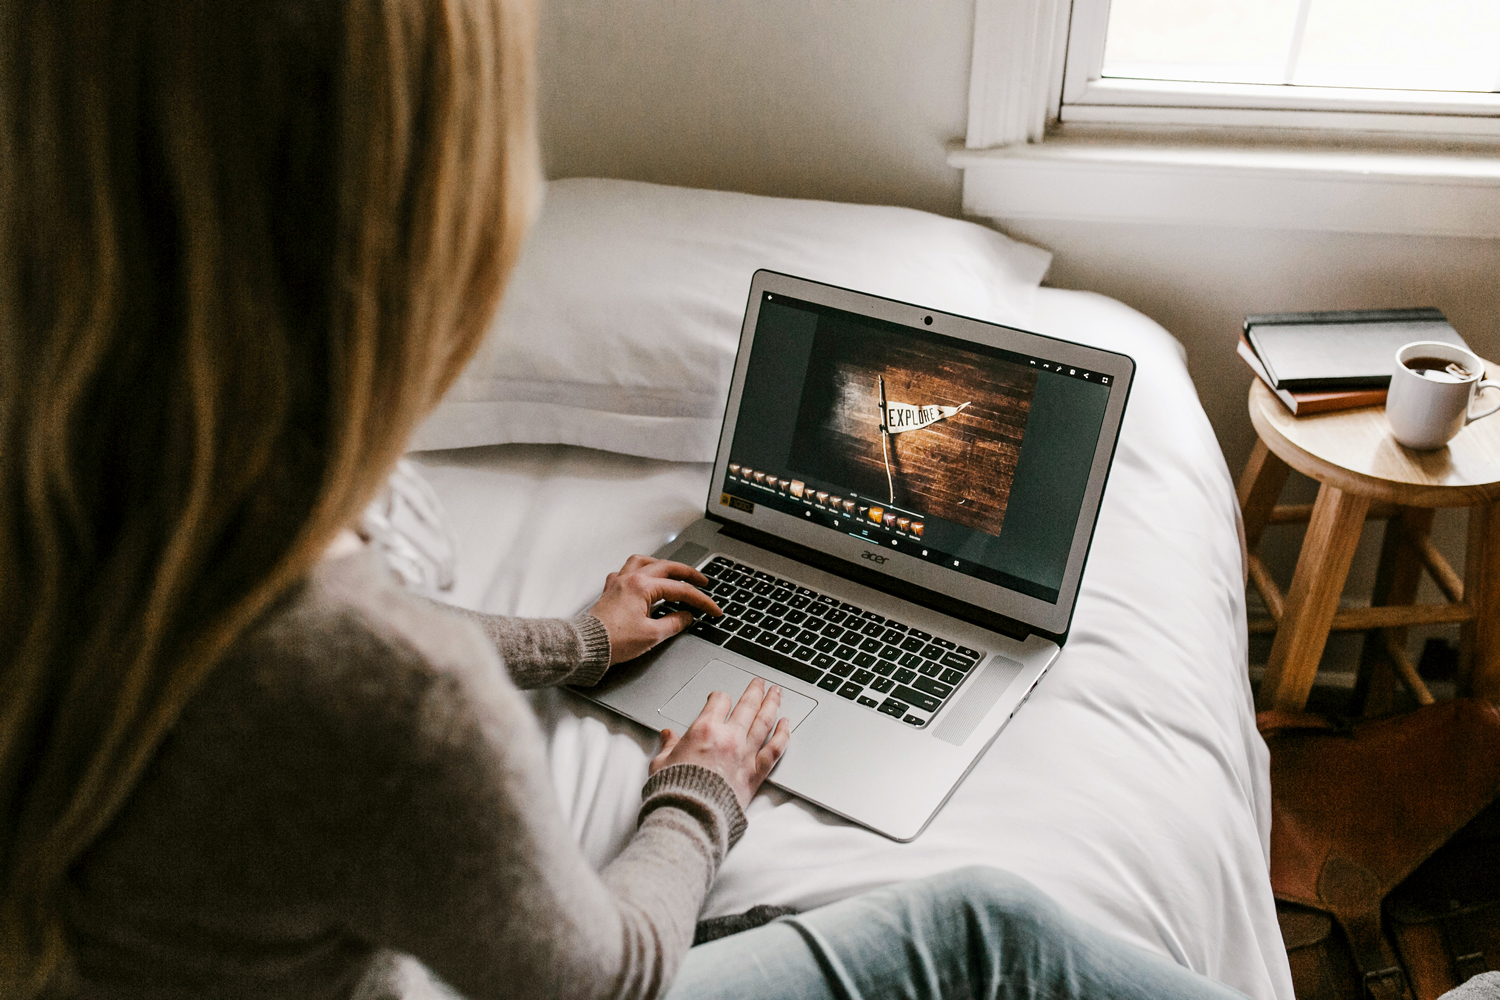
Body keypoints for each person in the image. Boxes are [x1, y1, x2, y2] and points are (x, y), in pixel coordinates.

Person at [0, 1, 1252, 998]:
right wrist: (702, 788)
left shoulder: (83, 512)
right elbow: (608, 974)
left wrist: (580, 642)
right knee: (991, 936)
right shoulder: (394, 702)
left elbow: (269, 649)